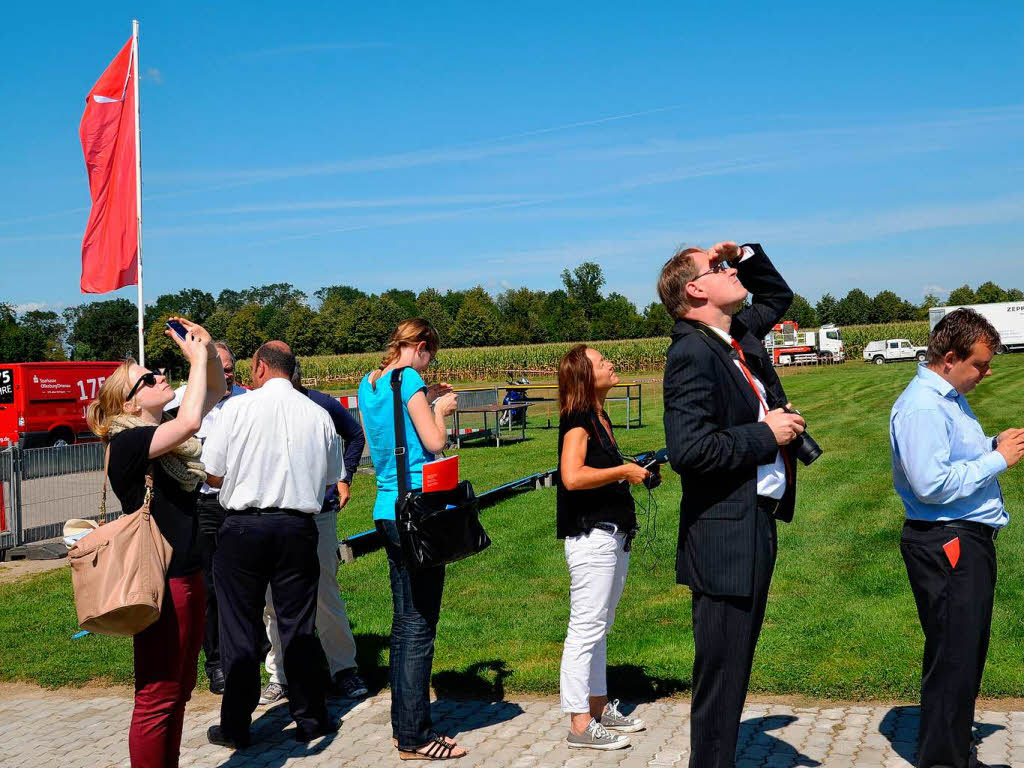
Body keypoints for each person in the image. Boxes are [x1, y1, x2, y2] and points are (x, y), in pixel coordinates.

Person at [659, 241, 806, 768]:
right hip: (723, 538)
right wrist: (765, 433)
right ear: (694, 290)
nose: (729, 272)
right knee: (721, 677)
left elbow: (777, 293)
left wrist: (743, 252)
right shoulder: (691, 353)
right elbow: (689, 451)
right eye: (717, 269)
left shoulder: (733, 336)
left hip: (755, 523)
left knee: (735, 667)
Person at [85, 317, 225, 768]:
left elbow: (215, 393)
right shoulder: (128, 443)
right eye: (148, 379)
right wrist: (196, 358)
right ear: (128, 403)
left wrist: (205, 349)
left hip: (186, 575)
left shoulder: (156, 436)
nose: (161, 376)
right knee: (157, 696)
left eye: (158, 371)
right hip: (161, 582)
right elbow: (190, 422)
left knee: (178, 692)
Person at [890, 308, 1024, 768]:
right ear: (949, 357)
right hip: (947, 541)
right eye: (980, 364)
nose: (986, 373)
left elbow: (952, 455)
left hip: (963, 539)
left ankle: (950, 752)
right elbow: (930, 484)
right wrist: (999, 460)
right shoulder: (924, 404)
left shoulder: (946, 398)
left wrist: (989, 445)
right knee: (953, 658)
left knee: (962, 653)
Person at [202, 341, 343, 749]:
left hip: (243, 526)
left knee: (239, 627)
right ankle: (311, 717)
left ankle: (236, 724)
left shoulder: (237, 410)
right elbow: (332, 476)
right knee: (297, 626)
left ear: (261, 367)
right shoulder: (318, 415)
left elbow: (212, 475)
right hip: (298, 526)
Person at [357, 318, 466, 761]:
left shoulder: (370, 382)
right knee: (420, 626)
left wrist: (425, 404)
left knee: (404, 624)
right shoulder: (410, 378)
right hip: (419, 511)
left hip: (387, 508)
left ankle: (407, 726)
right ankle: (416, 736)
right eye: (430, 353)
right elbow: (434, 441)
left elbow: (387, 438)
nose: (429, 361)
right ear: (421, 347)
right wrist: (441, 409)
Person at [259, 359, 369, 706]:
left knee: (325, 592)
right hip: (272, 515)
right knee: (272, 600)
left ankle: (344, 669)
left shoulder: (321, 404)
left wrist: (345, 476)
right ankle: (279, 676)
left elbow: (355, 435)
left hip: (317, 513)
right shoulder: (258, 407)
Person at [556, 345, 648, 751]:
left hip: (612, 535)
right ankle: (579, 724)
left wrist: (630, 473)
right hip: (591, 537)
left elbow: (595, 472)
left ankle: (597, 706)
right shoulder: (578, 419)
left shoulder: (599, 416)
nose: (611, 364)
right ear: (584, 376)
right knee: (585, 629)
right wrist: (624, 470)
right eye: (601, 361)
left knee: (600, 628)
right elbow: (572, 476)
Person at [165, 340, 247, 695]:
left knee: (244, 583)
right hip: (202, 503)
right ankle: (216, 663)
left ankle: (250, 651)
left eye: (229, 368)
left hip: (241, 502)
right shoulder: (180, 400)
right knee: (210, 587)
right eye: (219, 368)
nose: (226, 374)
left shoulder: (247, 399)